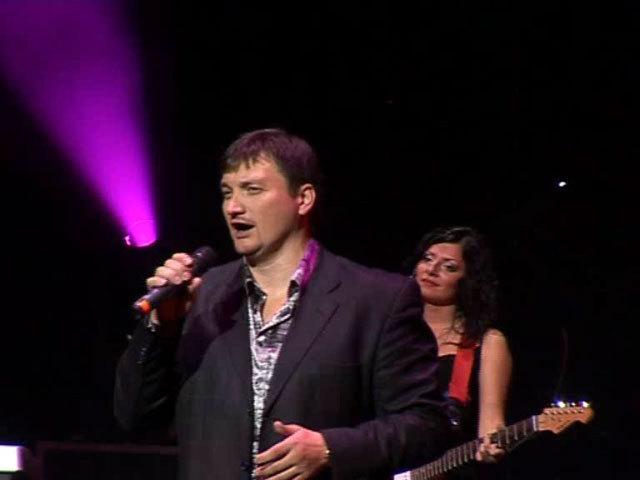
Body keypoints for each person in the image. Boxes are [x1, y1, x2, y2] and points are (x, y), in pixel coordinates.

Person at [114, 128, 450, 480]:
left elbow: (426, 425)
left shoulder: (376, 299)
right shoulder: (199, 296)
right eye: (227, 192)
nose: (233, 207)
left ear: (303, 199)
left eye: (252, 190)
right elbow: (134, 417)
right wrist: (160, 329)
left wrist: (331, 449)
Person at [409, 226, 512, 477]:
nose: (432, 270)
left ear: (468, 281)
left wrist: (493, 445)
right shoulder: (387, 333)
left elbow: (491, 425)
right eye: (427, 259)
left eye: (449, 267)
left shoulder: (488, 343)